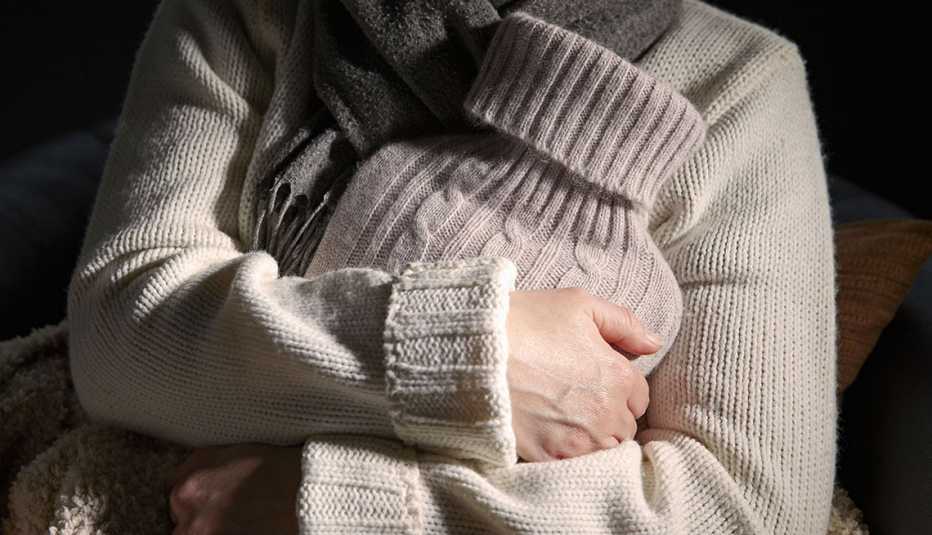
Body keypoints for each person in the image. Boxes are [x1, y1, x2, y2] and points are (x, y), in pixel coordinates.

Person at [66, 0, 839, 533]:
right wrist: (475, 353)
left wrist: (326, 506)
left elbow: (745, 509)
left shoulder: (737, 83)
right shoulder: (252, 13)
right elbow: (119, 335)